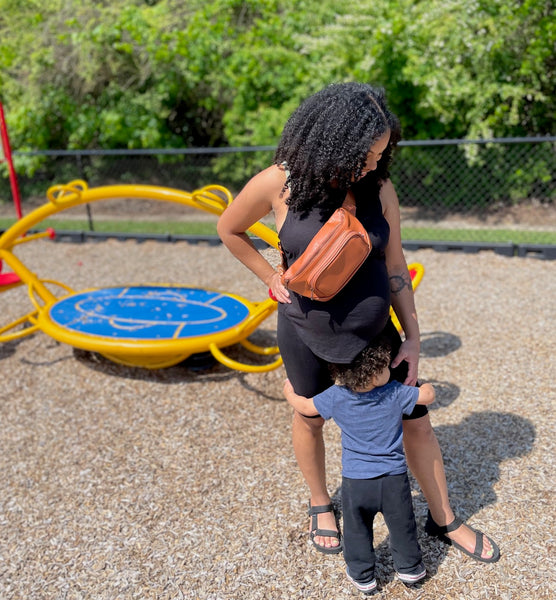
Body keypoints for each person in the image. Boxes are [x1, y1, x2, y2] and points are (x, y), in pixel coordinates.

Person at [217, 82, 500, 564]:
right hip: (305, 332)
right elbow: (229, 227)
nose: (373, 167)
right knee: (309, 415)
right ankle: (321, 504)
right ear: (333, 142)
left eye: (380, 157)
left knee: (416, 420)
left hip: (375, 335)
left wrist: (412, 337)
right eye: (365, 157)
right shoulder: (278, 183)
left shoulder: (379, 188)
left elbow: (395, 267)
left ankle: (443, 517)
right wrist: (270, 275)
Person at [283, 338, 435, 593]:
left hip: (356, 482)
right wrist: (425, 383)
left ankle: (363, 575)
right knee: (402, 525)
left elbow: (305, 407)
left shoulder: (336, 396)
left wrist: (288, 391)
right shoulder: (395, 393)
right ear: (375, 374)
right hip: (393, 479)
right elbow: (428, 395)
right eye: (385, 367)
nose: (389, 371)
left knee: (357, 530)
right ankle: (410, 568)